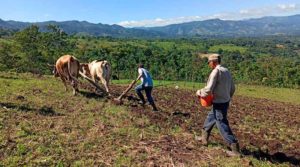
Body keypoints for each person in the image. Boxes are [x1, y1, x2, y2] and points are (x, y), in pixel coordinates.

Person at [196, 54, 241, 156]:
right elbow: (233, 88)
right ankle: (204, 138)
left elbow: (208, 89)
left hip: (219, 102)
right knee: (211, 118)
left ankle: (235, 148)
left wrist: (199, 92)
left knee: (221, 123)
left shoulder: (215, 72)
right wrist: (227, 97)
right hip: (224, 101)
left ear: (213, 62)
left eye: (209, 62)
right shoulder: (226, 71)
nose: (209, 65)